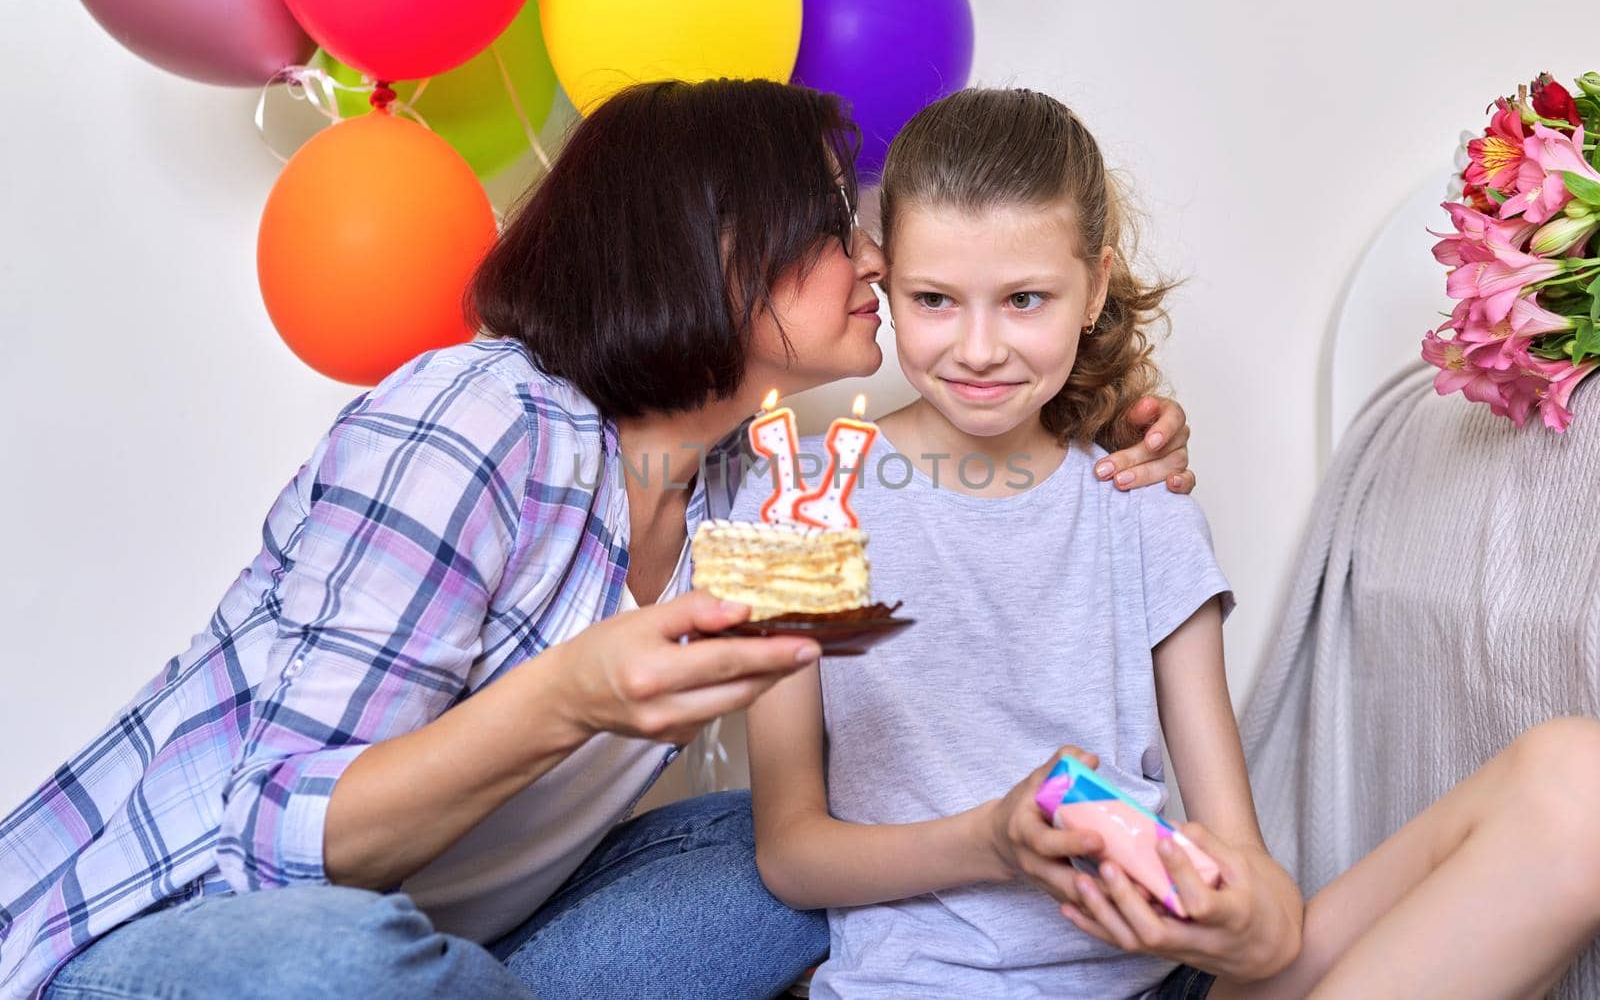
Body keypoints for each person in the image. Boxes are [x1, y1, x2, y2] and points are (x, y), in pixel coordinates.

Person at [0, 79, 1196, 1000]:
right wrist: (572, 694)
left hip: (470, 940)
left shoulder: (737, 490)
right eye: (836, 226)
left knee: (784, 853)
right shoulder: (474, 420)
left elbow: (965, 458)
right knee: (348, 961)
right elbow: (274, 842)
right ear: (719, 247)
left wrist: (1117, 426)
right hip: (180, 934)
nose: (876, 260)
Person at [744, 87, 1600, 999]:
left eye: (1025, 298)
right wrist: (992, 841)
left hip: (1157, 984)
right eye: (934, 300)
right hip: (923, 988)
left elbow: (1260, 900)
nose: (981, 347)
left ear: (1095, 286)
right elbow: (792, 852)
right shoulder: (793, 496)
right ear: (887, 285)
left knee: (1576, 784)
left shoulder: (1141, 503)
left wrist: (1237, 919)